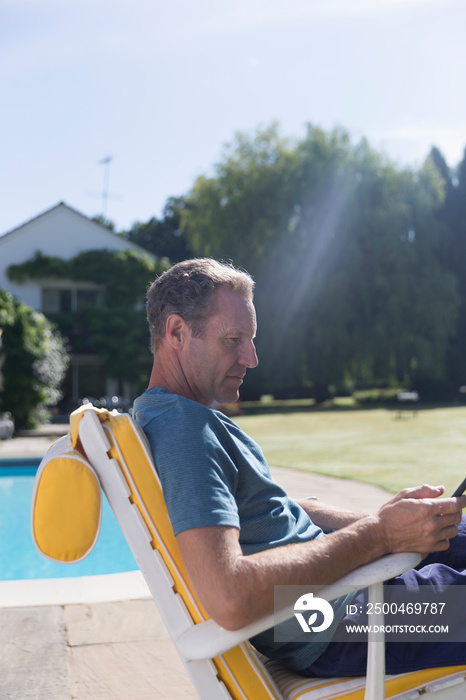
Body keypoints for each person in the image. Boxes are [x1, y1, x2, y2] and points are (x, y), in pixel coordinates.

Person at [132, 258, 466, 677]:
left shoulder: (181, 418)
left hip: (345, 601)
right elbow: (230, 596)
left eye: (250, 340)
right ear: (177, 332)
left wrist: (391, 523)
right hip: (348, 623)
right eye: (233, 339)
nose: (251, 358)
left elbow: (283, 510)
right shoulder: (182, 430)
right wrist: (379, 534)